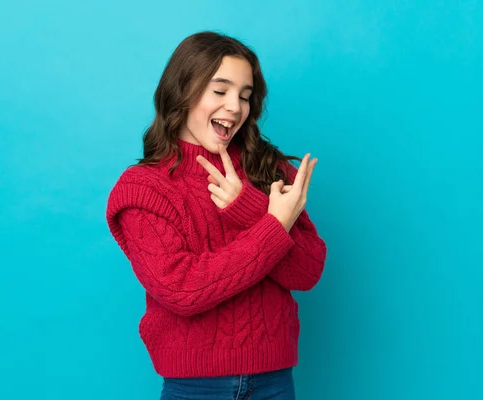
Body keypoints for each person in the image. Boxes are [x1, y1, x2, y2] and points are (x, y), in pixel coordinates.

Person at [106, 31, 327, 400]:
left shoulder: (268, 169)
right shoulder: (143, 188)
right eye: (220, 90)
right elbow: (182, 289)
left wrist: (250, 210)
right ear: (183, 91)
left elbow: (307, 273)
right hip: (195, 388)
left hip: (275, 381)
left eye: (245, 95)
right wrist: (273, 224)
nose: (236, 107)